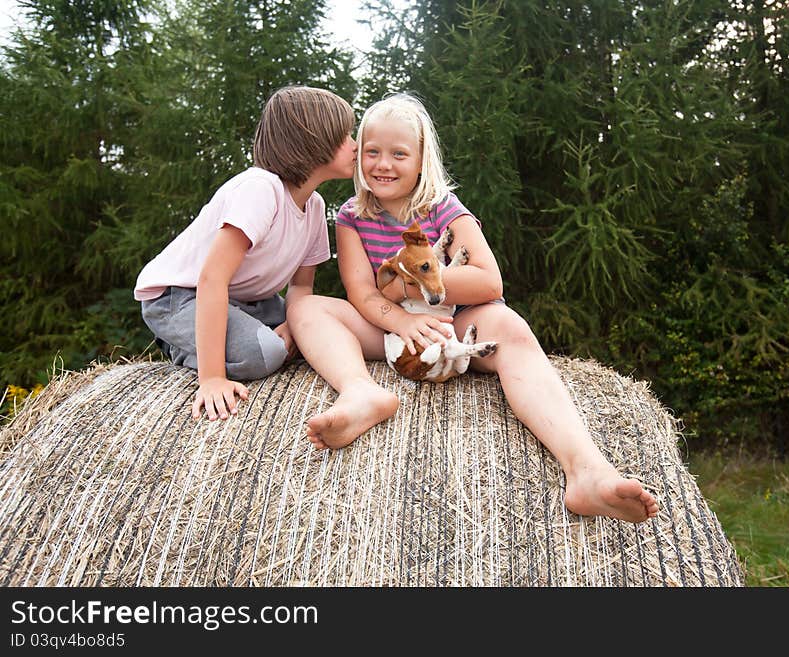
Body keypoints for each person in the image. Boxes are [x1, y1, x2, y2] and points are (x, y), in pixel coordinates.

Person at [287, 93, 659, 523]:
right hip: (392, 330)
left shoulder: (443, 207)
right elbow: (362, 294)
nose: (382, 164)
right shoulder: (352, 215)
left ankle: (586, 472)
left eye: (398, 154)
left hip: (458, 322)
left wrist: (413, 282)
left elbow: (487, 280)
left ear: (423, 159)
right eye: (372, 152)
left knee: (510, 326)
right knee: (308, 309)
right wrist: (404, 320)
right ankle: (360, 391)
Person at [134, 86, 360, 422]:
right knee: (265, 354)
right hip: (181, 297)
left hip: (249, 301)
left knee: (320, 330)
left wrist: (292, 324)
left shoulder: (315, 207)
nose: (356, 144)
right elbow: (212, 279)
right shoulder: (259, 189)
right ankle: (179, 346)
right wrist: (211, 378)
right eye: (345, 136)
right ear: (311, 142)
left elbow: (301, 290)